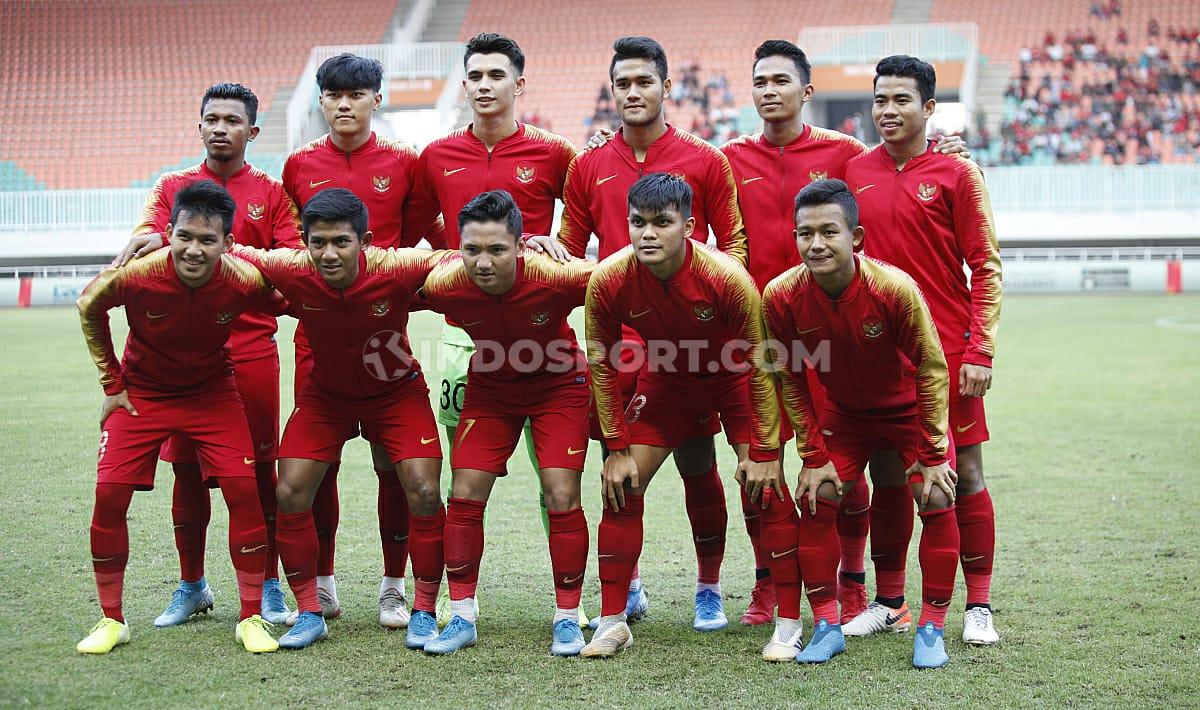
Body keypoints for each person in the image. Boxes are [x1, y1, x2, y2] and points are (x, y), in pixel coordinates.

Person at [588, 40, 969, 629]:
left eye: (780, 81)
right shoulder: (727, 158)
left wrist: (941, 148)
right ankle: (769, 588)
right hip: (749, 339)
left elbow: (892, 168)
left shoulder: (845, 154)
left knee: (844, 466)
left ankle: (855, 588)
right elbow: (708, 224)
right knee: (773, 469)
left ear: (806, 91)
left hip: (827, 332)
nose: (769, 91)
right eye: (759, 81)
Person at [559, 36, 750, 631]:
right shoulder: (589, 163)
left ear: (667, 87)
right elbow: (569, 250)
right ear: (612, 90)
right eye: (623, 83)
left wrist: (709, 312)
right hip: (620, 342)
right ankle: (629, 588)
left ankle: (709, 588)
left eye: (645, 82)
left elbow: (734, 245)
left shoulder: (703, 159)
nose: (633, 92)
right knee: (619, 468)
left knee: (699, 462)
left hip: (695, 344)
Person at [215, 188, 452, 650]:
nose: (328, 253)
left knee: (423, 489)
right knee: (290, 490)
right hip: (327, 397)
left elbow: (462, 256)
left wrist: (529, 246)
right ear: (303, 241)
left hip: (395, 391)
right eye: (317, 241)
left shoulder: (397, 265)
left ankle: (421, 609)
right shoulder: (292, 268)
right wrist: (157, 243)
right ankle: (310, 610)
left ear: (364, 241)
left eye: (341, 242)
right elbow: (231, 247)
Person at [400, 32, 582, 625]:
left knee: (555, 477)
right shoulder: (436, 156)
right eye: (474, 76)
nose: (484, 86)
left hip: (539, 312)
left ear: (517, 85)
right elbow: (419, 226)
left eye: (495, 76)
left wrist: (561, 251)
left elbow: (581, 216)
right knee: (466, 477)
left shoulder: (555, 151)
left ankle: (576, 598)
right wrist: (448, 265)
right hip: (467, 331)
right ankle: (452, 602)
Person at [76, 180, 282, 654]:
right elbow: (89, 306)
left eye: (208, 240)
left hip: (213, 393)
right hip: (143, 395)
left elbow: (287, 297)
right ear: (167, 231)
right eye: (184, 236)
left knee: (243, 491)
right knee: (108, 494)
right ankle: (112, 620)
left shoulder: (242, 278)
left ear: (228, 244)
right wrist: (113, 384)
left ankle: (251, 616)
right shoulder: (136, 274)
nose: (193, 250)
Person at [579, 174, 780, 658]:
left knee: (763, 485)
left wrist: (767, 449)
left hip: (733, 379)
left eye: (661, 223)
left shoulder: (726, 277)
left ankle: (776, 607)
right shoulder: (609, 278)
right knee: (620, 489)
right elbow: (601, 363)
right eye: (637, 222)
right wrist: (616, 446)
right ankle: (612, 622)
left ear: (689, 226)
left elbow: (761, 361)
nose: (647, 234)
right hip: (667, 381)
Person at [122, 81, 300, 627]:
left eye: (231, 119)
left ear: (253, 130)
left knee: (261, 474)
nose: (220, 127)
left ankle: (267, 584)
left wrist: (230, 250)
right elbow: (142, 244)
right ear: (198, 125)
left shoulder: (270, 192)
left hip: (249, 351)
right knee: (188, 474)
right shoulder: (172, 186)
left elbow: (293, 260)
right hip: (182, 357)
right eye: (211, 118)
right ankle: (191, 584)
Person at [762, 178, 960, 669]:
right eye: (805, 233)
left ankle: (932, 628)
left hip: (906, 413)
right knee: (818, 496)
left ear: (857, 237)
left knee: (936, 496)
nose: (816, 244)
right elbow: (786, 376)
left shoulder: (894, 289)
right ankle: (828, 624)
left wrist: (934, 456)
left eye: (829, 231)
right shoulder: (781, 296)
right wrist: (812, 455)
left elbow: (933, 368)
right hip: (845, 417)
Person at [843, 55, 1003, 645]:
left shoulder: (958, 174)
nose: (888, 111)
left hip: (948, 354)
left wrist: (980, 351)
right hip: (877, 356)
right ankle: (890, 602)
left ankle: (978, 606)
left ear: (929, 108)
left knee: (962, 475)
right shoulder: (854, 169)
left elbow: (985, 266)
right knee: (890, 475)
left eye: (901, 100)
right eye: (880, 100)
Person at [280, 53, 432, 628]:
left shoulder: (403, 163)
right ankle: (321, 583)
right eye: (333, 94)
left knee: (393, 466)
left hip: (383, 335)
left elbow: (424, 237)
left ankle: (395, 587)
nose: (344, 104)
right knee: (316, 467)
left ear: (377, 99)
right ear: (321, 101)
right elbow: (280, 240)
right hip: (316, 339)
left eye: (357, 93)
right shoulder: (296, 166)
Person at [415, 190, 595, 656]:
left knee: (560, 493)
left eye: (497, 249)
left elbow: (620, 276)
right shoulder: (445, 285)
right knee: (464, 493)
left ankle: (567, 617)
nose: (483, 262)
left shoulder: (554, 276)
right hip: (492, 389)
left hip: (558, 384)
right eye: (472, 250)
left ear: (520, 247)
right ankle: (462, 617)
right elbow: (387, 276)